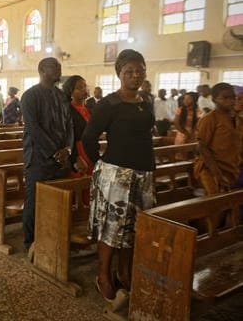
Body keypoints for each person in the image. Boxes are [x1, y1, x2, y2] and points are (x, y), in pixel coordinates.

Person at [82, 49, 155, 305]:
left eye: (140, 71)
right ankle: (103, 275)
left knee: (135, 228)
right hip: (117, 175)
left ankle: (124, 272)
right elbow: (89, 138)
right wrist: (101, 163)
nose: (135, 76)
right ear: (119, 74)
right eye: (129, 72)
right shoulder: (108, 104)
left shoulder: (146, 102)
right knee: (112, 228)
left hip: (143, 173)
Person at [21, 57, 73, 251]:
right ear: (42, 70)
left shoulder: (61, 96)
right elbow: (34, 128)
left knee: (57, 202)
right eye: (54, 67)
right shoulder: (30, 96)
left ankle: (52, 239)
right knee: (34, 202)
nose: (59, 69)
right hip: (38, 158)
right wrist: (54, 151)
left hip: (61, 159)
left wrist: (67, 149)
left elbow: (69, 125)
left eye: (59, 66)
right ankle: (30, 242)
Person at [194, 82, 243, 195]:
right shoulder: (210, 119)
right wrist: (217, 174)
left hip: (231, 168)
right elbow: (203, 148)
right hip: (212, 169)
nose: (231, 101)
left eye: (233, 97)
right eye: (225, 98)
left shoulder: (238, 120)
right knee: (217, 204)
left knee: (231, 205)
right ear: (214, 99)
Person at [62, 75, 93, 179]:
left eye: (85, 86)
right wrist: (75, 157)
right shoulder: (68, 110)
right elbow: (68, 136)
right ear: (71, 91)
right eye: (79, 88)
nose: (84, 90)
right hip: (78, 150)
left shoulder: (89, 108)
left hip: (90, 149)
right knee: (80, 182)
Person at [173, 91, 199, 160]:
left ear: (194, 100)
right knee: (181, 155)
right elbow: (176, 123)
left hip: (194, 134)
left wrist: (192, 133)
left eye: (188, 99)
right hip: (182, 133)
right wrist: (186, 133)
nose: (185, 101)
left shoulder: (198, 110)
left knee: (192, 155)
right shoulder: (181, 109)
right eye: (185, 99)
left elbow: (198, 124)